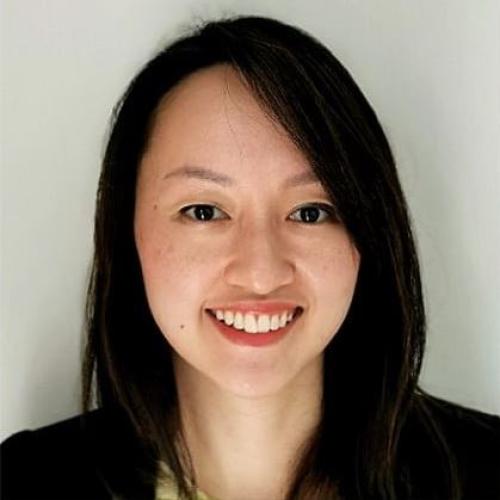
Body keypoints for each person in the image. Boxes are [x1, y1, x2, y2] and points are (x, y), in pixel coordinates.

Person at [1, 15, 499, 500]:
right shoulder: (26, 482)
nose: (261, 274)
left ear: (368, 236)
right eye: (204, 211)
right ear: (127, 230)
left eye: (309, 212)